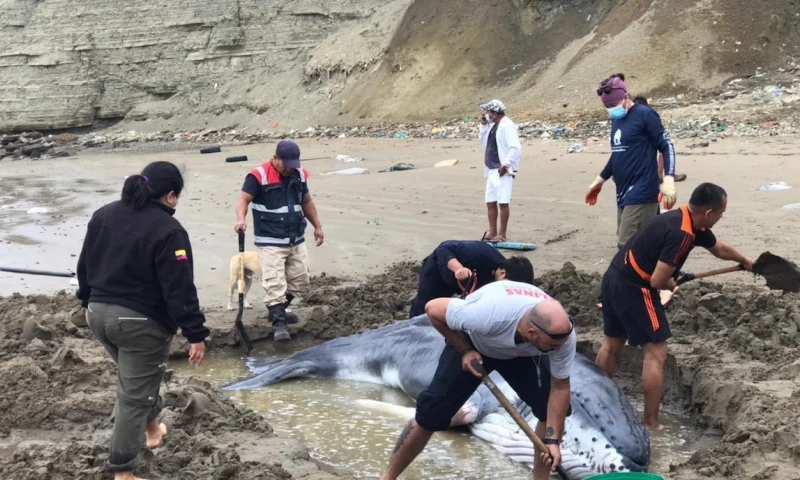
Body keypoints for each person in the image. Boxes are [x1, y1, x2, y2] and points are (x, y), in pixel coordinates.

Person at [76, 161, 209, 480]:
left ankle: (153, 431)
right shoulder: (169, 231)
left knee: (136, 380)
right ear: (171, 196)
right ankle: (123, 472)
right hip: (139, 325)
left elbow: (84, 264)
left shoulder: (104, 214)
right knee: (133, 397)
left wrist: (86, 300)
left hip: (98, 316)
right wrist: (195, 333)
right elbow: (180, 288)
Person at [594, 182, 753, 430]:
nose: (722, 217)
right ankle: (652, 424)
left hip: (612, 278)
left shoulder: (684, 219)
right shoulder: (683, 234)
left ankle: (595, 407)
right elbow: (657, 280)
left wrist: (745, 260)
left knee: (611, 345)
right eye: (721, 213)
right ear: (709, 212)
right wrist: (670, 283)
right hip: (634, 289)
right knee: (656, 352)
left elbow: (719, 249)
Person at [380, 280, 576, 480]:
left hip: (522, 354)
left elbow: (560, 387)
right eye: (554, 345)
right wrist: (464, 350)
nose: (560, 349)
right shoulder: (486, 314)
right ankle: (388, 477)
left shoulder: (562, 338)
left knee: (548, 409)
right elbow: (433, 309)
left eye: (561, 344)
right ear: (532, 333)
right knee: (431, 412)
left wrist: (553, 441)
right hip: (475, 341)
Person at [234, 140, 324, 342]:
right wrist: (241, 219)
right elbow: (243, 199)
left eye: (293, 165)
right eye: (286, 164)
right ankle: (279, 324)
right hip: (270, 238)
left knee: (300, 279)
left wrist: (317, 226)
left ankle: (278, 310)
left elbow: (306, 201)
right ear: (275, 159)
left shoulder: (299, 174)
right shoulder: (258, 175)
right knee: (274, 281)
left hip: (295, 237)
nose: (289, 169)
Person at [585, 73, 678, 249]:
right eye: (608, 106)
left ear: (626, 97)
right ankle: (659, 272)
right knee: (644, 243)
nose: (612, 109)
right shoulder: (617, 120)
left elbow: (666, 145)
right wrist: (599, 180)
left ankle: (637, 276)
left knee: (626, 244)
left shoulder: (645, 115)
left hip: (642, 189)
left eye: (614, 104)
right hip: (622, 192)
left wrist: (669, 179)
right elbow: (618, 154)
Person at [408, 240, 535, 317]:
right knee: (424, 308)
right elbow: (444, 247)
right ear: (502, 273)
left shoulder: (499, 279)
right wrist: (458, 268)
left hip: (466, 287)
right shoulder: (480, 254)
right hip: (438, 271)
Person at [478, 99, 522, 243]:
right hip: (491, 169)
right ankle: (492, 232)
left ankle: (501, 234)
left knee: (503, 202)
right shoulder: (492, 126)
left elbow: (515, 147)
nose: (486, 115)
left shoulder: (507, 126)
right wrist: (483, 126)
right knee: (490, 201)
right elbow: (483, 142)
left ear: (495, 113)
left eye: (488, 112)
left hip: (502, 170)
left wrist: (506, 165)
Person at [632, 96, 687, 188]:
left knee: (662, 148)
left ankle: (661, 174)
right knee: (663, 148)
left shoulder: (638, 113)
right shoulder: (647, 113)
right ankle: (661, 174)